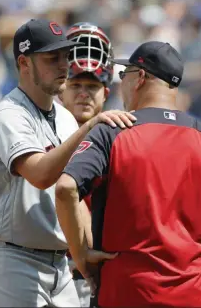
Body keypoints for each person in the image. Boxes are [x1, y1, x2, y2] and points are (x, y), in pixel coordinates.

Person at [55, 41, 201, 307]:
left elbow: (66, 188)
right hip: (191, 295)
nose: (121, 83)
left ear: (140, 78)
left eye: (124, 75)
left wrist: (81, 256)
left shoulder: (113, 130)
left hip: (126, 293)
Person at [0, 18, 136, 307]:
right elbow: (41, 174)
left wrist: (85, 251)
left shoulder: (65, 118)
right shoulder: (7, 115)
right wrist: (91, 125)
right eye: (52, 58)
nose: (63, 65)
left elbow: (73, 194)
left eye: (65, 56)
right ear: (24, 63)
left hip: (58, 264)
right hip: (12, 259)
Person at [59, 22, 114, 307]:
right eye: (76, 84)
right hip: (51, 269)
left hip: (104, 274)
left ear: (106, 92)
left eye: (92, 86)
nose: (83, 93)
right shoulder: (42, 134)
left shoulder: (120, 135)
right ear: (61, 90)